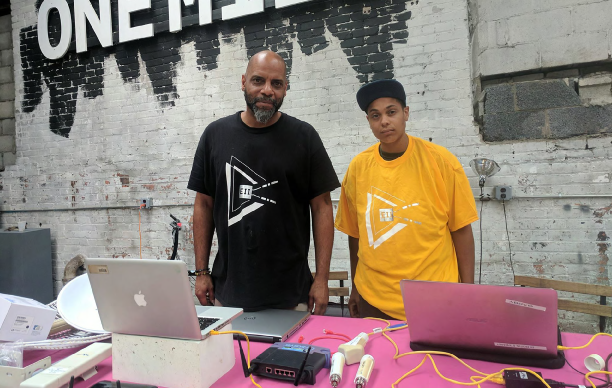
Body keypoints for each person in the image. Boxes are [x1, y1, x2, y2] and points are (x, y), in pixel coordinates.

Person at [187, 50, 340, 315]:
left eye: (276, 83)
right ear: (244, 81)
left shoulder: (304, 137)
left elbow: (323, 207)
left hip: (292, 295)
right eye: (258, 81)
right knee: (231, 357)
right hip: (228, 292)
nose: (267, 90)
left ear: (286, 88)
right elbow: (203, 204)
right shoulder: (215, 135)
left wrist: (322, 279)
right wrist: (201, 271)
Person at [334, 79, 478, 320]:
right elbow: (356, 235)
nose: (384, 122)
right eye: (375, 116)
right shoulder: (358, 168)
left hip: (435, 299)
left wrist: (468, 292)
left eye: (391, 112)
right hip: (375, 300)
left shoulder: (441, 162)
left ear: (406, 113)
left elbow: (462, 230)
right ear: (369, 121)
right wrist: (357, 288)